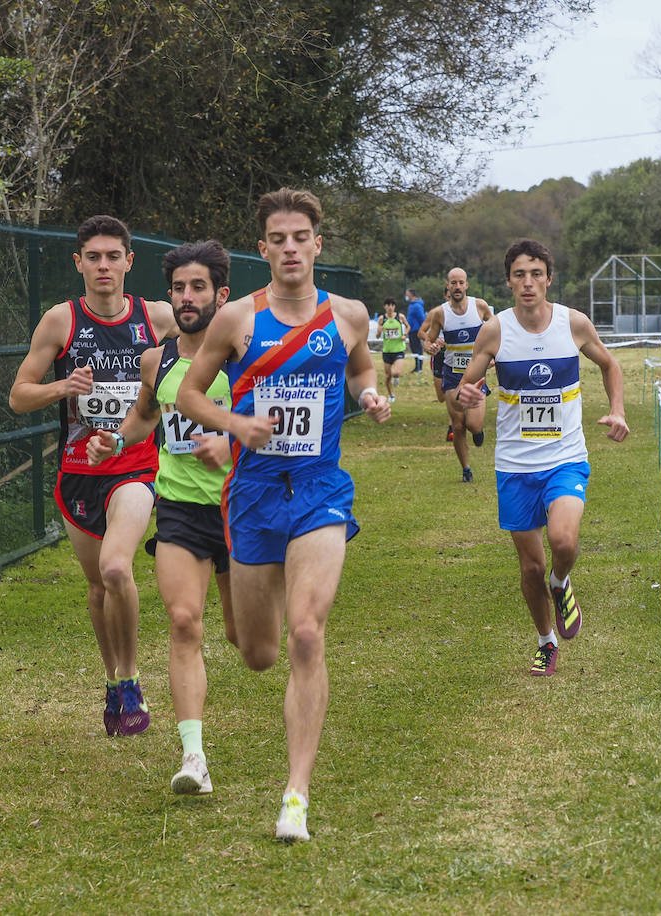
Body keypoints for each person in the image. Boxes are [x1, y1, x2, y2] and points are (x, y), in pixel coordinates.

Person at [176, 187, 391, 842]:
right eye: (280, 239)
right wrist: (237, 422)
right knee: (260, 652)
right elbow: (188, 393)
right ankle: (246, 626)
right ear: (263, 248)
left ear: (317, 245)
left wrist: (372, 392)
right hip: (254, 493)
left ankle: (296, 794)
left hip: (320, 489)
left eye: (302, 237)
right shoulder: (236, 319)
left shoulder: (347, 314)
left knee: (306, 633)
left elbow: (361, 368)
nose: (292, 248)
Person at [8, 215, 176, 736]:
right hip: (79, 471)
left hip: (136, 466)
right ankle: (111, 680)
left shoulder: (159, 318)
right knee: (98, 587)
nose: (104, 265)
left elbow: (202, 365)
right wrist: (64, 388)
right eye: (93, 257)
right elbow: (18, 396)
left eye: (113, 256)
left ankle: (131, 680)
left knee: (117, 569)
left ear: (130, 261)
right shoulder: (61, 321)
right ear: (78, 263)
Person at [86, 240, 237, 793]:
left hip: (239, 508)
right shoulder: (159, 358)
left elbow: (273, 416)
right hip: (179, 507)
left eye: (198, 287)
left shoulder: (244, 357)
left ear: (221, 295)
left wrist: (232, 443)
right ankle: (193, 757)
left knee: (250, 642)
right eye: (178, 288)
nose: (187, 297)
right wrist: (114, 440)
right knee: (182, 622)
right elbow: (147, 416)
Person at [456, 239, 628, 676]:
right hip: (514, 465)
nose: (528, 282)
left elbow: (609, 364)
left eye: (536, 274)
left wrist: (618, 409)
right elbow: (465, 386)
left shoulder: (573, 323)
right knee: (530, 566)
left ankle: (562, 580)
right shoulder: (495, 329)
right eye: (519, 275)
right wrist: (466, 393)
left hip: (565, 455)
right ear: (509, 281)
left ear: (549, 278)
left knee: (563, 542)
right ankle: (545, 640)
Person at [420, 267, 494, 481]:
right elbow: (429, 339)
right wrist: (431, 347)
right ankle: (466, 469)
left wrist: (493, 357)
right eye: (453, 283)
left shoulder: (479, 306)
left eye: (461, 282)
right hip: (452, 375)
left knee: (473, 425)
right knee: (459, 423)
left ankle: (478, 431)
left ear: (466, 285)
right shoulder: (440, 313)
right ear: (448, 286)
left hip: (476, 373)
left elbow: (498, 330)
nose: (457, 286)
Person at [378, 297, 410, 401]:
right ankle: (391, 395)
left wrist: (405, 334)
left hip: (399, 349)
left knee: (396, 373)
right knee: (387, 377)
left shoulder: (400, 317)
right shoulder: (382, 319)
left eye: (392, 305)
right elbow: (378, 336)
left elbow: (408, 326)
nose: (390, 307)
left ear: (394, 306)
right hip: (387, 351)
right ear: (384, 307)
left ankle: (396, 377)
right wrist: (379, 330)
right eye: (388, 305)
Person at [404, 287, 426, 373]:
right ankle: (417, 366)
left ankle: (419, 367)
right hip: (411, 330)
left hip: (416, 330)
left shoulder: (417, 306)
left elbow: (422, 318)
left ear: (411, 294)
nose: (406, 296)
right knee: (414, 349)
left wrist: (423, 329)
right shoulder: (411, 305)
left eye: (407, 294)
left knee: (417, 348)